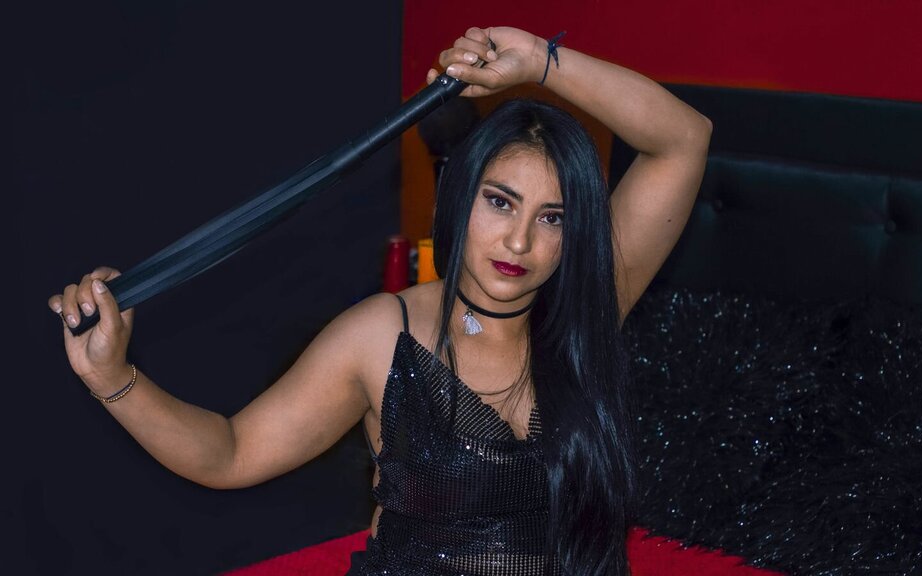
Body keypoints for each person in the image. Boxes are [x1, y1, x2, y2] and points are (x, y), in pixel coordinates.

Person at [50, 26, 711, 576]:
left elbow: (684, 139)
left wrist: (539, 60)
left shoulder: (590, 307)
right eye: (500, 201)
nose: (519, 240)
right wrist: (114, 379)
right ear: (461, 196)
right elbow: (232, 451)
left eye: (553, 217)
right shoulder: (382, 336)